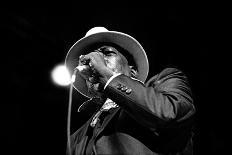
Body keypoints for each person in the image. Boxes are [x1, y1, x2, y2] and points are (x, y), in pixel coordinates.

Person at [65, 27, 195, 155]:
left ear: (133, 72)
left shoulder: (164, 80)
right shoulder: (76, 138)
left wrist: (109, 78)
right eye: (88, 61)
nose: (93, 62)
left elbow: (171, 113)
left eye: (107, 53)